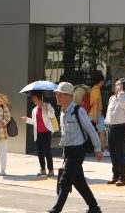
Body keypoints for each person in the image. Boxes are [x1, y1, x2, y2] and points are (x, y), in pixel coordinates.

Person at [49, 82, 103, 213]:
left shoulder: (78, 110)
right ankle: (94, 207)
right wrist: (64, 153)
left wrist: (97, 149)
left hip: (78, 150)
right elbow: (65, 135)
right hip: (68, 152)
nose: (57, 97)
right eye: (57, 94)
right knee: (79, 182)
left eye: (60, 94)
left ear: (69, 96)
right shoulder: (62, 112)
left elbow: (91, 130)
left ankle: (56, 209)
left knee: (65, 180)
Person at [20, 91, 56, 176]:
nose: (33, 99)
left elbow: (52, 115)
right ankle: (42, 169)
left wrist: (44, 108)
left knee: (47, 151)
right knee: (39, 152)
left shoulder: (48, 105)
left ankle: (50, 170)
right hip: (38, 132)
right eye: (32, 98)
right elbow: (34, 122)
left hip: (46, 132)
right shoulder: (34, 110)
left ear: (39, 97)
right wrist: (27, 120)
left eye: (34, 97)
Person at [106, 78, 125, 185]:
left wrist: (121, 92)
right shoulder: (112, 98)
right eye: (116, 85)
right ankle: (115, 175)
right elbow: (109, 112)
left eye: (119, 85)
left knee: (119, 153)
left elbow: (122, 103)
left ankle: (123, 177)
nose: (117, 87)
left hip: (121, 128)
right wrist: (106, 123)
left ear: (124, 87)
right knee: (112, 152)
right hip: (111, 127)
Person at [89, 72, 108, 155]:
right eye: (103, 81)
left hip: (91, 114)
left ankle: (98, 149)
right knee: (102, 132)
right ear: (101, 81)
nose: (103, 82)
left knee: (95, 132)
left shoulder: (93, 89)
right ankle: (102, 150)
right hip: (97, 114)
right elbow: (96, 103)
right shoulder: (96, 90)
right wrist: (96, 116)